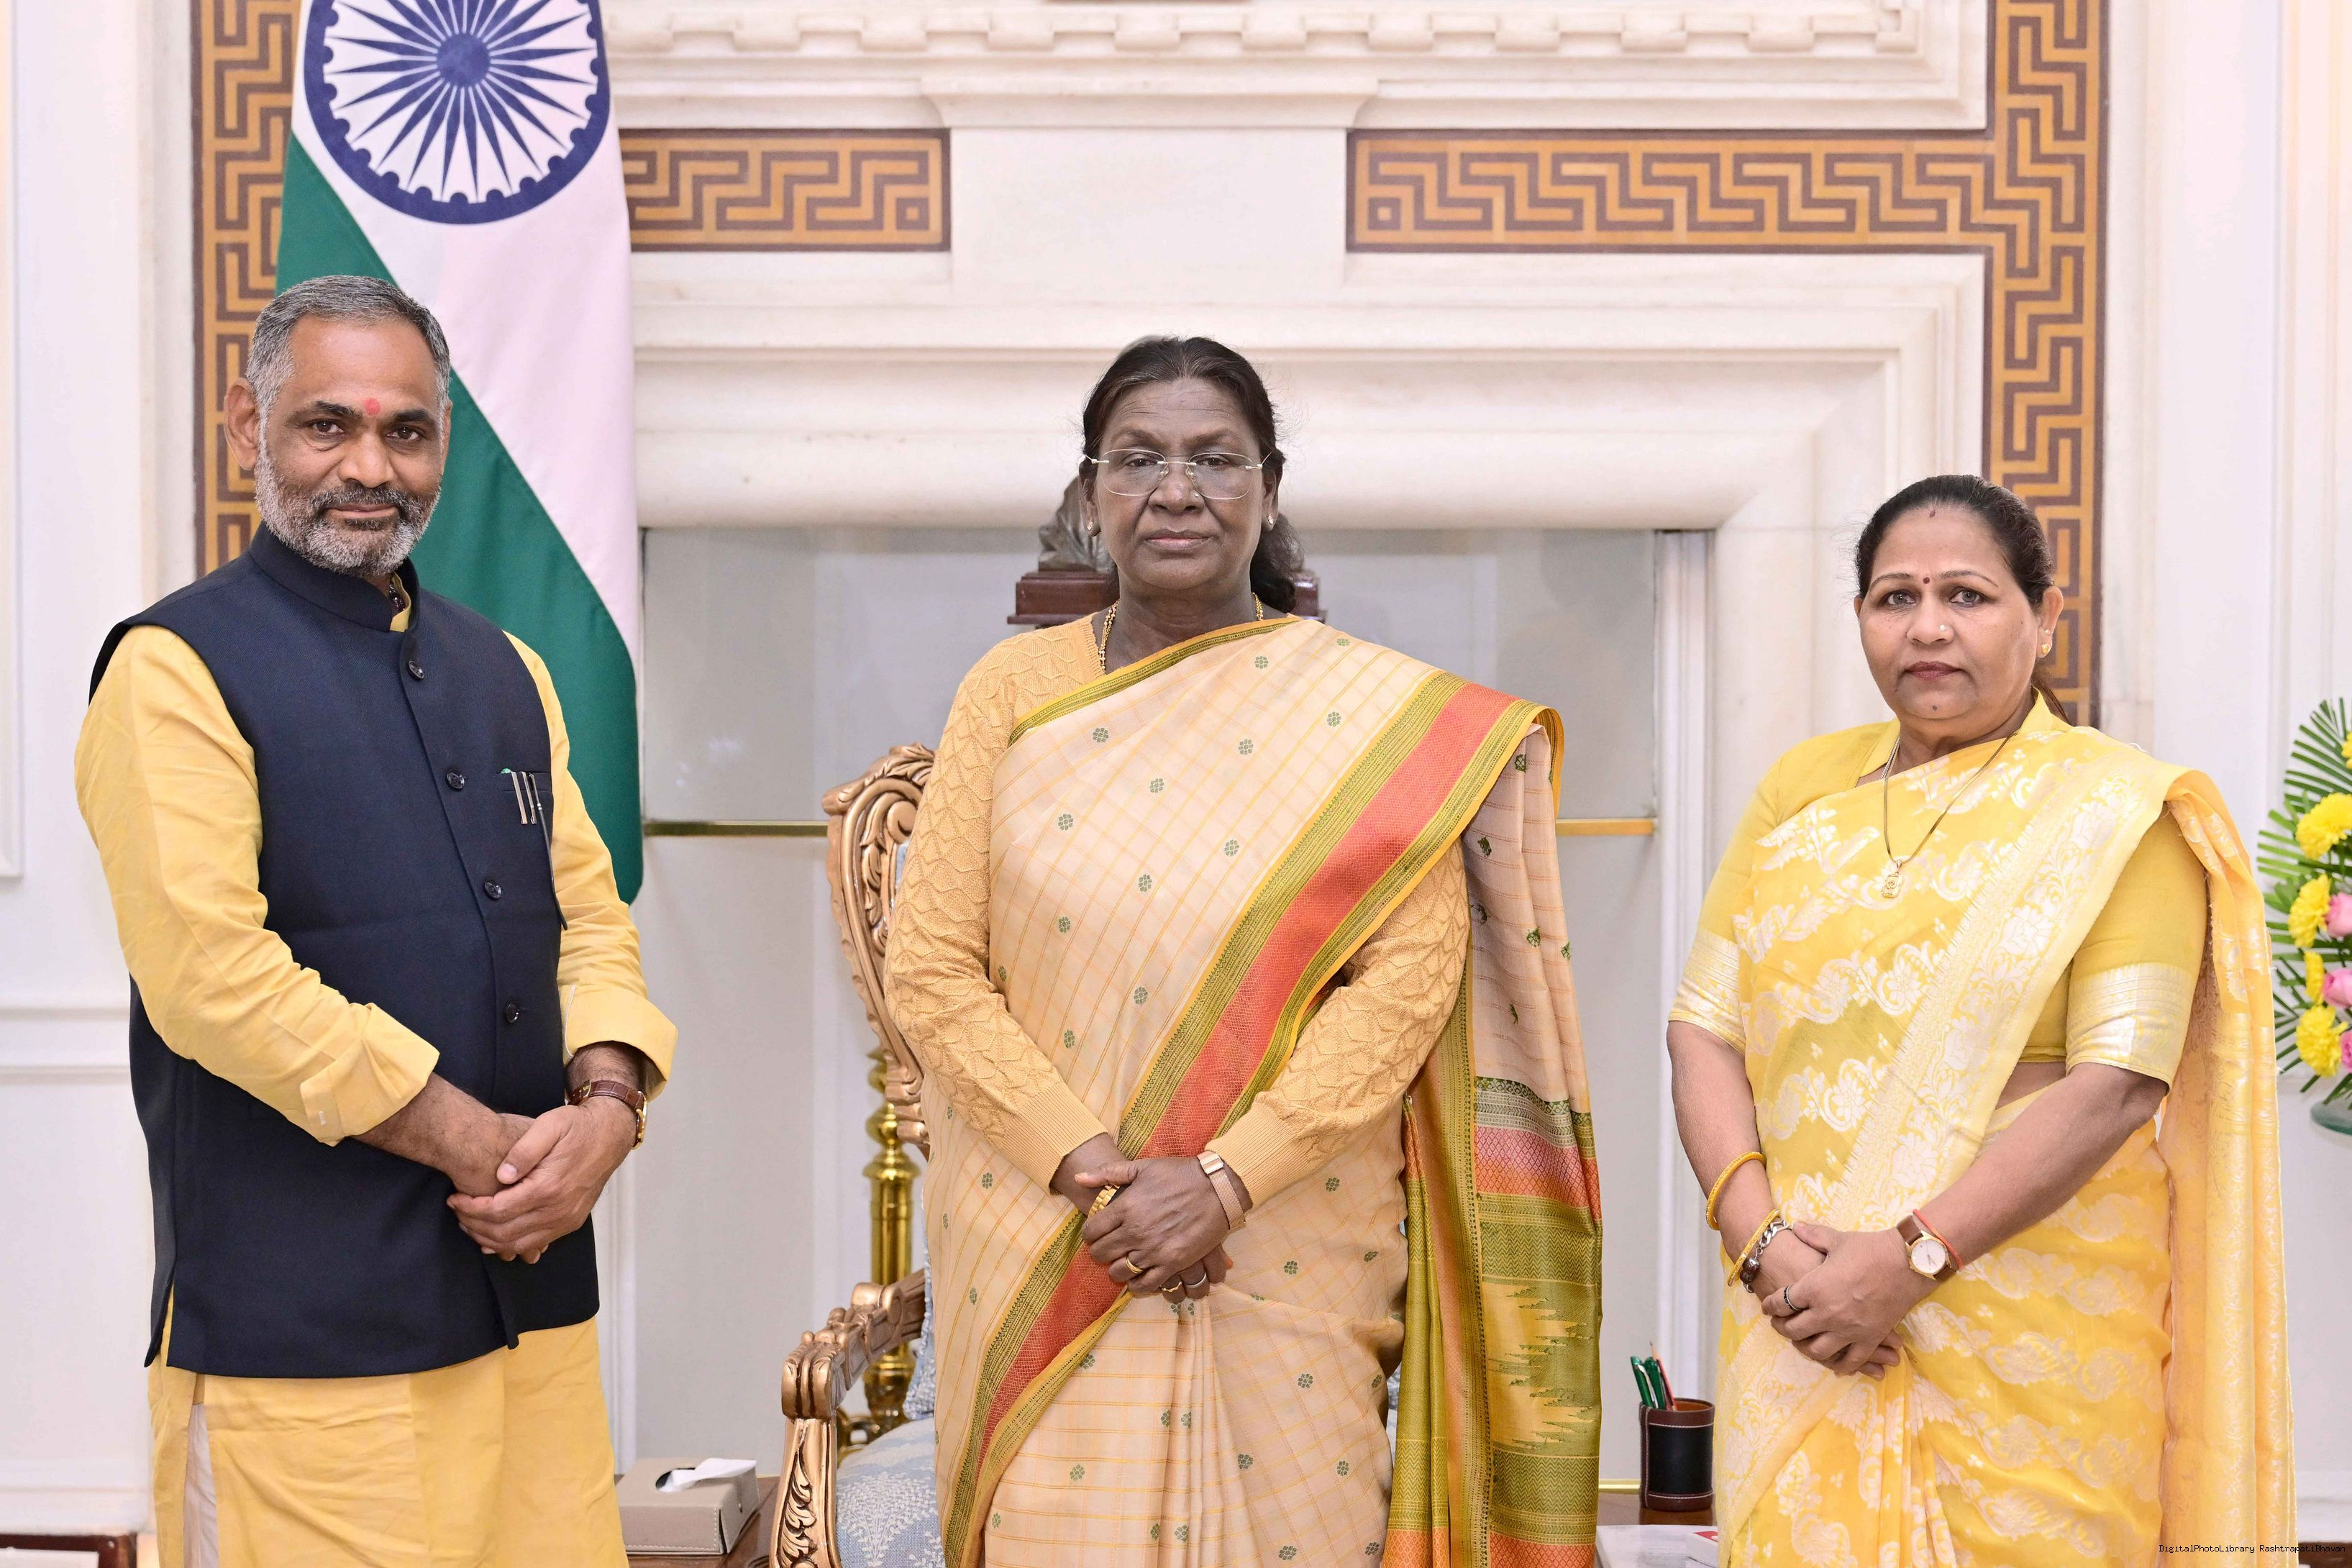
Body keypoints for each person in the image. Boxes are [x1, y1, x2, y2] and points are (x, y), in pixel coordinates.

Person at [883, 336, 1603, 1568]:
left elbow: (1403, 991)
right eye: (1138, 459)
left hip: (1284, 1237)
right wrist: (1099, 1179)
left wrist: (1223, 1182)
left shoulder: (1368, 722)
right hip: (1048, 1229)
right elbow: (933, 969)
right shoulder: (1009, 688)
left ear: (1269, 488)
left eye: (1215, 459)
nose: (1176, 491)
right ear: (1089, 492)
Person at [74, 275, 675, 1567]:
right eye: (325, 425)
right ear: (250, 428)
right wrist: (486, 1148)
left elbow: (590, 919)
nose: (369, 467)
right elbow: (214, 980)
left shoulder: (507, 670)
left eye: (407, 431)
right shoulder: (173, 669)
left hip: (534, 1322)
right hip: (307, 1353)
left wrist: (609, 1108)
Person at [1666, 474, 2294, 1566]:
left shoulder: (2117, 809)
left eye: (1967, 595)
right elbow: (1702, 1030)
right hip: (1805, 1317)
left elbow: (2117, 1085)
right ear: (1860, 617)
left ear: (2043, 617)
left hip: (2030, 1333)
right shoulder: (1801, 788)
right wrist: (1763, 1247)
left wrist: (1906, 1262)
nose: (1927, 628)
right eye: (1894, 598)